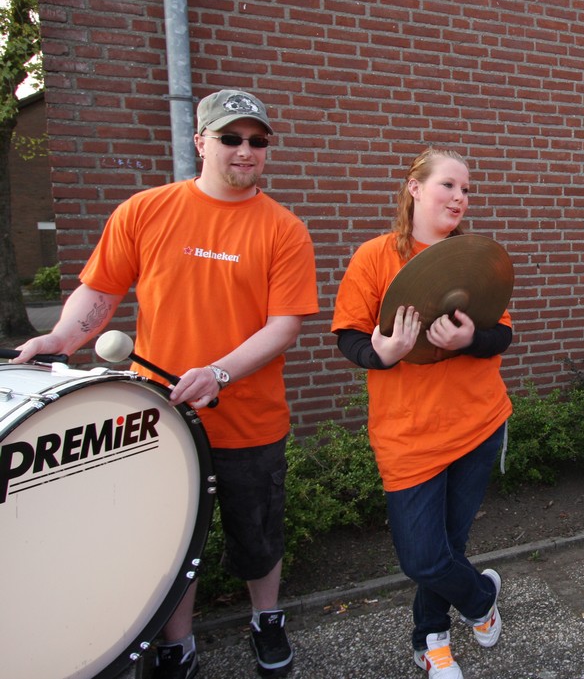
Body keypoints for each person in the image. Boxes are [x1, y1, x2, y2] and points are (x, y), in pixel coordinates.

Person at [14, 89, 319, 678]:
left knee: (258, 533)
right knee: (169, 542)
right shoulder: (145, 210)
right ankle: (177, 643)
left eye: (257, 141)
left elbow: (283, 326)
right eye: (230, 138)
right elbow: (101, 290)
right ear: (201, 142)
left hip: (249, 420)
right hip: (157, 417)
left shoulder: (284, 230)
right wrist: (63, 337)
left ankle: (267, 617)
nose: (245, 150)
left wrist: (218, 372)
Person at [331, 148, 512, 679]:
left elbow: (502, 333)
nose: (459, 198)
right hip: (408, 434)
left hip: (478, 423)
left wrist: (469, 339)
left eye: (466, 190)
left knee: (451, 544)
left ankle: (430, 640)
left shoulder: (474, 259)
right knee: (423, 557)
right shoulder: (374, 257)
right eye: (448, 186)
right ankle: (480, 598)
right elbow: (348, 335)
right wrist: (381, 354)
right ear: (414, 187)